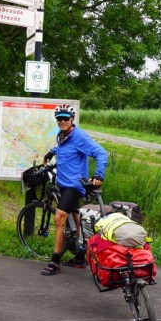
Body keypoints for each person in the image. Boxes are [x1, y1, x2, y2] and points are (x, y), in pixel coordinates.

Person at [40, 104, 108, 276]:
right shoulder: (62, 135)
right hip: (64, 183)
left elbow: (101, 153)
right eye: (59, 118)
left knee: (59, 217)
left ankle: (55, 262)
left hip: (74, 185)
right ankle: (79, 255)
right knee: (74, 215)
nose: (62, 121)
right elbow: (64, 149)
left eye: (65, 118)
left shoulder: (79, 136)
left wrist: (98, 175)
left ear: (72, 119)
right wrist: (51, 152)